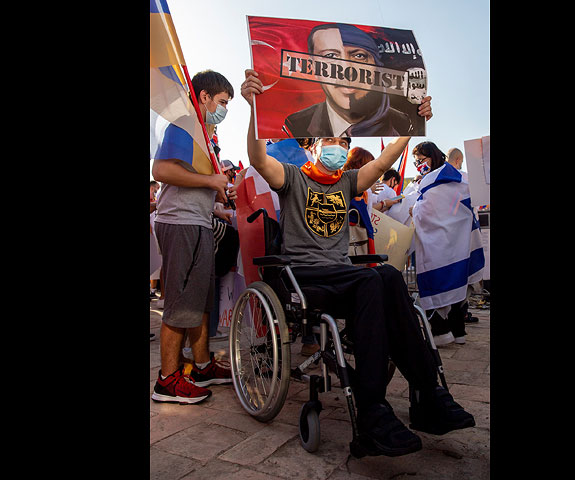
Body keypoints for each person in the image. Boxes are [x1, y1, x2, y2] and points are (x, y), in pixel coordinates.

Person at [239, 68, 474, 458]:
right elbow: (258, 158)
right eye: (330, 139)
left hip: (343, 275)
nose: (338, 145)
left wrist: (412, 124)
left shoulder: (348, 182)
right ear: (314, 147)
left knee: (388, 278)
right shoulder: (295, 178)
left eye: (343, 140)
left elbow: (381, 164)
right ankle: (372, 413)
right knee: (372, 280)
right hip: (305, 276)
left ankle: (427, 394)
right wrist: (254, 107)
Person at [151, 69, 236, 405]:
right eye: (222, 102)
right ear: (204, 97)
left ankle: (201, 366)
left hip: (198, 222)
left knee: (199, 303)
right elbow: (162, 171)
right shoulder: (185, 123)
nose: (224, 109)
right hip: (181, 223)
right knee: (181, 303)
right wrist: (212, 182)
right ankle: (167, 380)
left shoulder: (203, 133)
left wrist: (216, 198)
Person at [283, 23, 415, 138]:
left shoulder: (403, 123)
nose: (346, 70)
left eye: (359, 56)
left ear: (376, 66)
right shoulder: (294, 125)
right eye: (330, 56)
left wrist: (420, 113)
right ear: (313, 68)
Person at [410, 141, 483, 346]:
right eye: (416, 162)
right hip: (457, 241)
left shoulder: (434, 180)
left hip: (439, 245)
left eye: (421, 160)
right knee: (457, 284)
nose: (418, 165)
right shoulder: (460, 178)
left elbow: (427, 211)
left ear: (433, 156)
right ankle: (458, 332)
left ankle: (442, 332)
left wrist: (414, 210)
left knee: (438, 285)